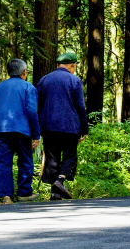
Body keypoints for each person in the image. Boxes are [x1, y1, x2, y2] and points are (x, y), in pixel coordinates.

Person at [36, 51, 89, 200]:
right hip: (69, 126)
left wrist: (38, 127)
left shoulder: (44, 80)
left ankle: (55, 193)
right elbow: (80, 106)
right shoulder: (74, 80)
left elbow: (38, 104)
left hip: (48, 126)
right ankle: (60, 180)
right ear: (72, 65)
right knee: (69, 155)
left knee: (52, 157)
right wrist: (84, 129)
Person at [0, 58, 41, 204]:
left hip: (0, 129)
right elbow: (32, 111)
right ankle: (24, 193)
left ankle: (6, 196)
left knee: (3, 162)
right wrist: (36, 134)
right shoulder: (28, 87)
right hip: (21, 129)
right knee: (25, 160)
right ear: (24, 72)